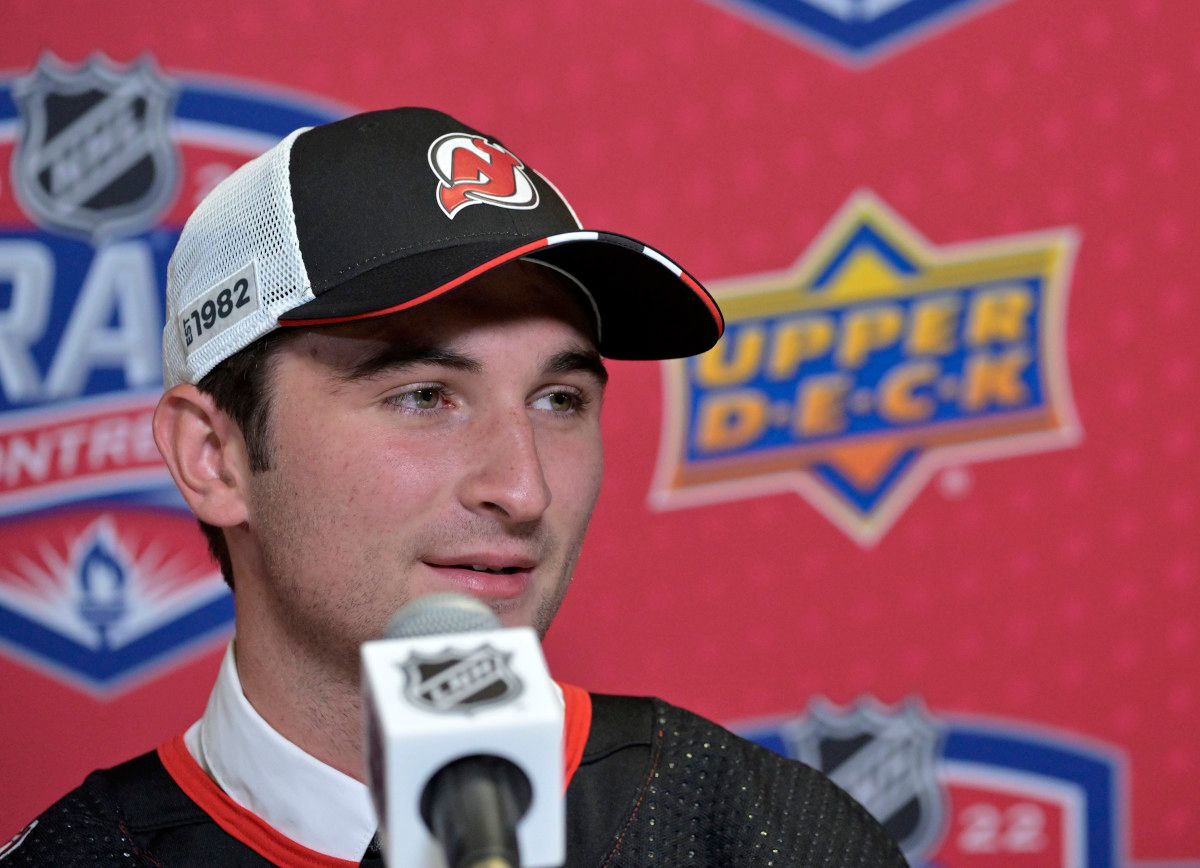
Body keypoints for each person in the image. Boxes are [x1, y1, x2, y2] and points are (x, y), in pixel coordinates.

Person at [6, 108, 906, 867]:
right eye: (425, 397)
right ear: (214, 455)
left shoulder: (767, 835)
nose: (523, 489)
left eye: (559, 399)